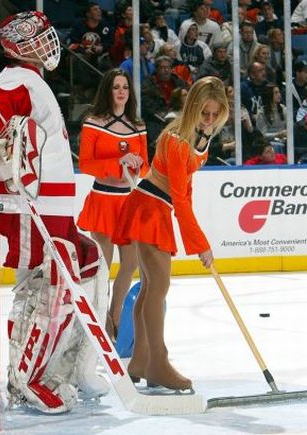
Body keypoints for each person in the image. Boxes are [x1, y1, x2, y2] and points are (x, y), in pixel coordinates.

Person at [0, 10, 110, 413]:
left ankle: (70, 369)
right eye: (40, 37)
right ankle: (26, 378)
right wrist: (9, 135)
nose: (49, 43)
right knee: (53, 285)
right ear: (20, 45)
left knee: (89, 262)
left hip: (53, 207)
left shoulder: (32, 83)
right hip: (32, 207)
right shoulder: (17, 81)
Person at [112, 76, 229, 390]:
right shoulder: (177, 140)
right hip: (151, 208)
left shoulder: (197, 136)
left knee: (151, 288)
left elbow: (184, 190)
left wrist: (198, 242)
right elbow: (181, 198)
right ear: (192, 107)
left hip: (153, 206)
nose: (209, 119)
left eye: (214, 114)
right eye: (204, 113)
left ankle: (140, 359)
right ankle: (158, 364)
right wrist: (201, 244)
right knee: (159, 286)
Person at [77, 68, 149, 341]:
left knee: (129, 264)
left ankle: (116, 314)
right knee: (103, 267)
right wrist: (118, 163)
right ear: (108, 90)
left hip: (129, 203)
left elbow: (146, 166)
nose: (121, 91)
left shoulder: (139, 125)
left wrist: (136, 163)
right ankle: (101, 320)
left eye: (125, 87)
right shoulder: (93, 122)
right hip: (104, 201)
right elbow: (85, 164)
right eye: (116, 86)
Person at [254, 84, 287, 150]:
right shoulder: (261, 113)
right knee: (277, 146)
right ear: (269, 95)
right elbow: (262, 135)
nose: (279, 95)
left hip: (284, 141)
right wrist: (278, 134)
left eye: (279, 92)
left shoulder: (284, 109)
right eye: (276, 93)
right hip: (269, 143)